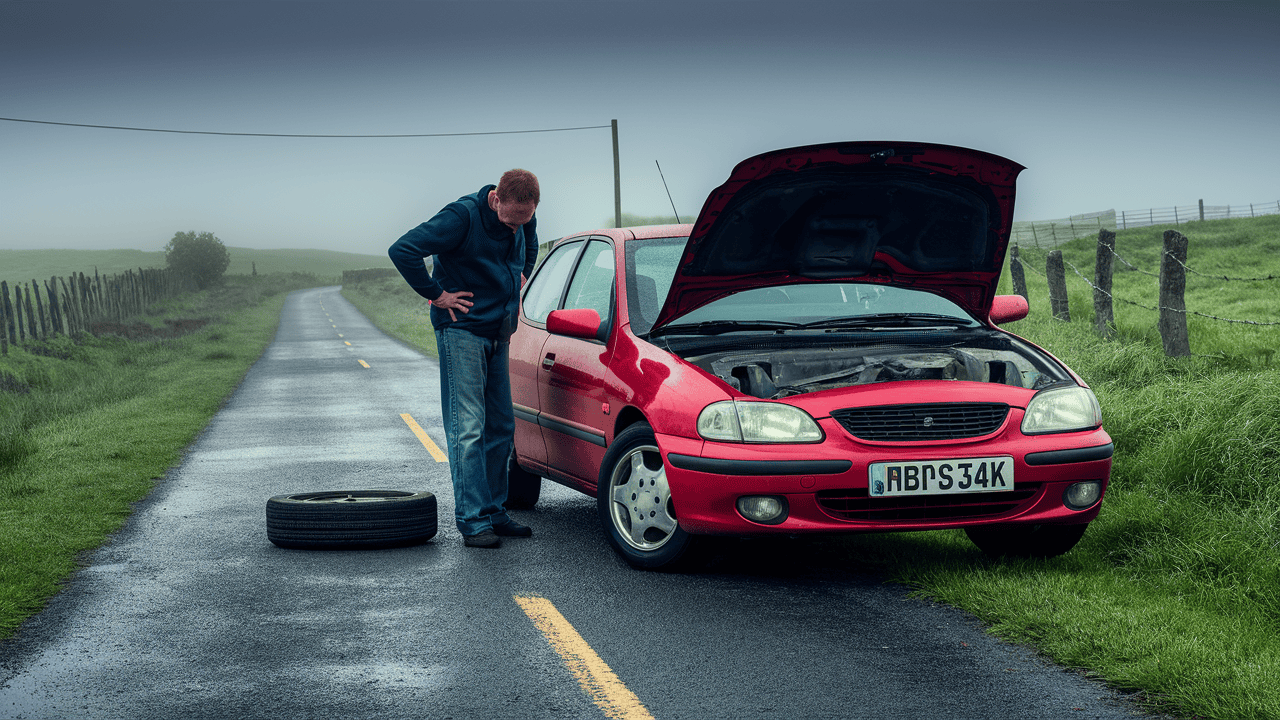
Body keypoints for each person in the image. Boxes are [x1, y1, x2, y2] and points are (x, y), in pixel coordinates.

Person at [388, 169, 540, 548]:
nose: (516, 227)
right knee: (468, 427)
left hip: (498, 331)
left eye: (524, 220)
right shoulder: (461, 217)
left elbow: (530, 246)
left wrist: (522, 276)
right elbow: (403, 249)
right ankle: (473, 522)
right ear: (495, 200)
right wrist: (436, 294)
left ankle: (494, 511)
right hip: (462, 331)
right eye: (510, 220)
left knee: (502, 427)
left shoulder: (525, 216)